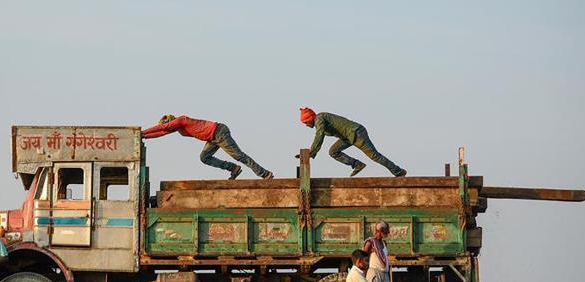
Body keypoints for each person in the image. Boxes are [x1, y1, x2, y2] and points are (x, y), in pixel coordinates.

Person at [142, 115, 274, 180]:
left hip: (218, 132)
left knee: (238, 155)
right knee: (204, 157)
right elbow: (162, 132)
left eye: (168, 125)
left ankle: (265, 174)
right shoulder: (177, 128)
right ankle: (233, 168)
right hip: (212, 137)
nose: (168, 128)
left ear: (171, 122)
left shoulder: (181, 120)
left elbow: (162, 128)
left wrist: (141, 132)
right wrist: (144, 136)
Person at [298, 107, 407, 177]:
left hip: (357, 132)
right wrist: (311, 153)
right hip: (348, 137)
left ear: (310, 118)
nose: (306, 125)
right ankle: (357, 164)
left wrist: (311, 153)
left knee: (375, 156)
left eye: (306, 122)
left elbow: (319, 135)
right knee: (333, 151)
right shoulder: (319, 121)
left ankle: (398, 172)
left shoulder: (320, 118)